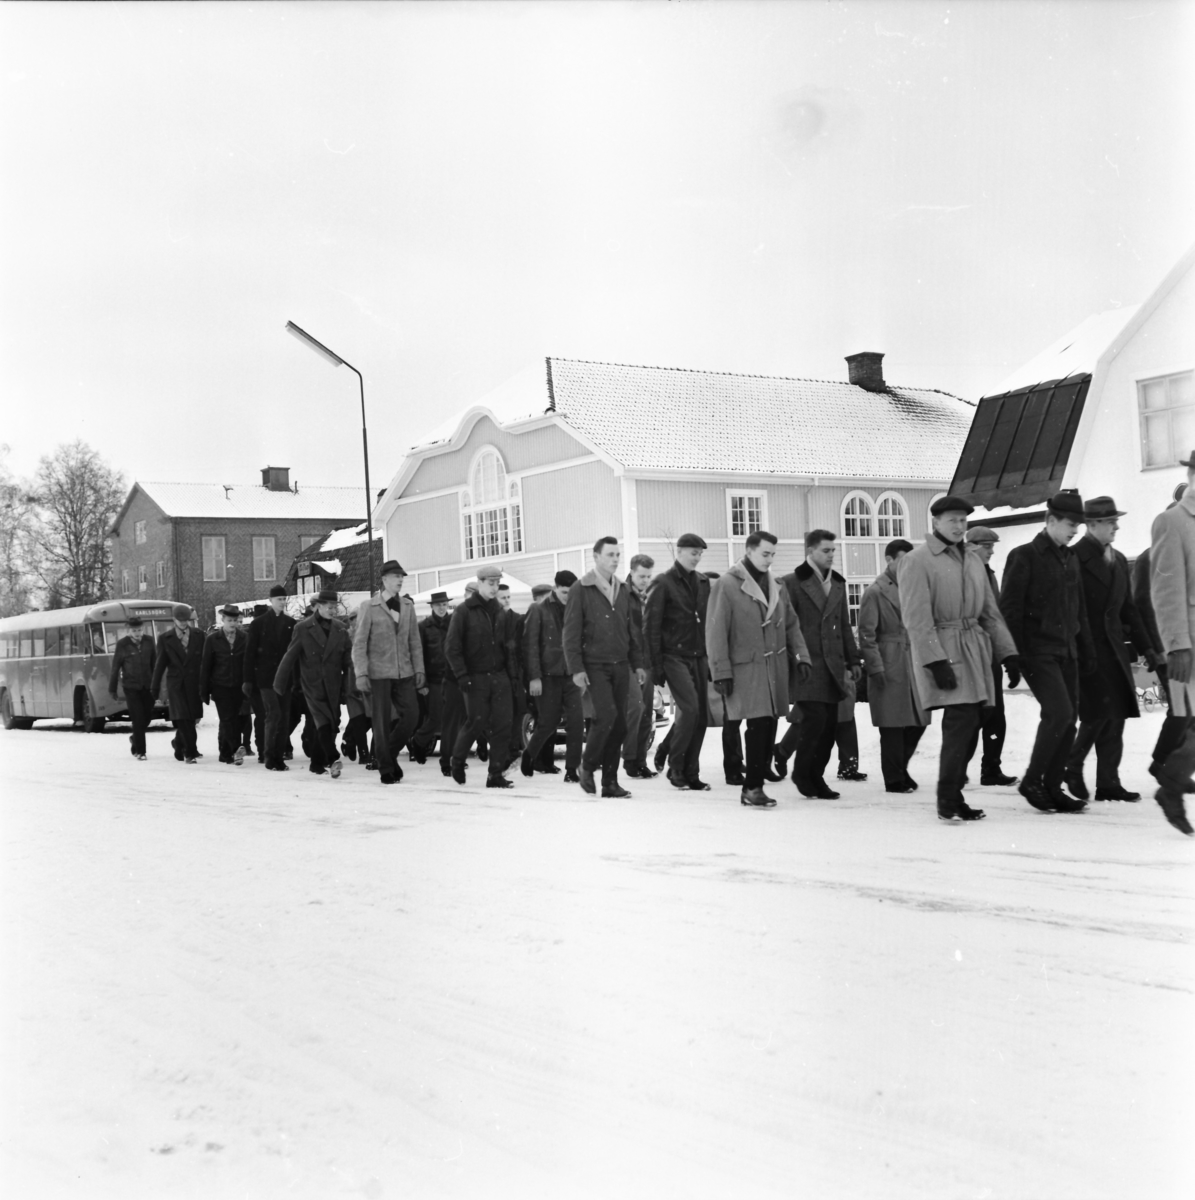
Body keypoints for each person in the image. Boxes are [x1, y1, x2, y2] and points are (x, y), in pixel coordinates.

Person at [899, 495, 1018, 821]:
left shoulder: (973, 561)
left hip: (975, 651)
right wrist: (935, 661)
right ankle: (948, 798)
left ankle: (952, 795)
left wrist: (1008, 653)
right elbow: (916, 618)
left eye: (963, 520)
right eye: (951, 519)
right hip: (946, 651)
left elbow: (989, 613)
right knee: (961, 721)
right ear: (935, 522)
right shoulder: (917, 561)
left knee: (974, 720)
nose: (958, 526)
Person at [1000, 490, 1095, 813]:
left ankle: (1053, 787)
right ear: (1051, 521)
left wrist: (1087, 649)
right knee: (1059, 714)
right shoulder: (1024, 556)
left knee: (1069, 720)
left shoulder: (1070, 558)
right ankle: (1032, 780)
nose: (1075, 531)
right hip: (1037, 650)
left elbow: (1079, 609)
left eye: (1078, 526)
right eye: (1070, 524)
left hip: (1067, 650)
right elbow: (1010, 608)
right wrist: (1012, 656)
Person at [707, 531, 811, 807]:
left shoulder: (777, 584)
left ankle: (755, 784)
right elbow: (716, 632)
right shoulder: (728, 584)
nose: (770, 559)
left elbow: (791, 625)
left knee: (769, 723)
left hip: (773, 666)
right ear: (749, 551)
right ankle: (752, 788)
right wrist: (720, 672)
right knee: (757, 724)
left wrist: (801, 657)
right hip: (745, 667)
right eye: (765, 553)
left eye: (773, 554)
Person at [1064, 496, 1157, 802]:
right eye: (1110, 522)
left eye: (1116, 521)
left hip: (1114, 648)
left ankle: (1108, 782)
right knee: (1098, 713)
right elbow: (1072, 610)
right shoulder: (1073, 558)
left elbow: (1128, 609)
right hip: (1088, 647)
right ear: (1091, 525)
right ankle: (1072, 766)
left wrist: (1147, 647)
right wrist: (1082, 648)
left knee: (1116, 715)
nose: (1116, 527)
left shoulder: (1116, 559)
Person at [777, 530, 862, 799]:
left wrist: (853, 659)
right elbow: (785, 627)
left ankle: (816, 776)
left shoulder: (837, 583)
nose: (831, 555)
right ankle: (803, 773)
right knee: (815, 720)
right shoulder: (792, 583)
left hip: (833, 666)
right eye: (826, 550)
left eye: (833, 550)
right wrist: (793, 660)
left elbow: (844, 624)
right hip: (807, 664)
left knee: (828, 726)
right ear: (810, 551)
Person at [562, 537, 647, 798]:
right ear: (596, 557)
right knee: (606, 716)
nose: (615, 559)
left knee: (620, 725)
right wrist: (576, 668)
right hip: (594, 665)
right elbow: (570, 632)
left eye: (617, 555)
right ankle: (587, 767)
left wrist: (637, 663)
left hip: (620, 664)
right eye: (610, 554)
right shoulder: (581, 588)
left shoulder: (622, 589)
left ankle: (610, 783)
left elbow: (630, 630)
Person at [857, 538, 928, 792]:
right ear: (889, 560)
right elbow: (867, 634)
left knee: (919, 720)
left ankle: (901, 768)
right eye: (903, 560)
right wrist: (875, 667)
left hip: (914, 660)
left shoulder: (915, 587)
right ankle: (894, 778)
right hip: (889, 660)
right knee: (892, 725)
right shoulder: (875, 592)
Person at [1148, 458, 1195, 835]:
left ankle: (1172, 781)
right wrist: (1176, 644)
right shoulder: (1172, 522)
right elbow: (1166, 592)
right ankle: (1172, 783)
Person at [1133, 484, 1192, 786]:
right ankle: (1162, 765)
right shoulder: (1151, 558)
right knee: (1182, 711)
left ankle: (1168, 766)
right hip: (1167, 648)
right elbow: (1143, 605)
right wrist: (1156, 649)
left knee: (1187, 710)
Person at [645, 535, 712, 790]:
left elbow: (707, 622)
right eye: (693, 553)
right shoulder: (663, 583)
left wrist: (710, 658)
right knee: (690, 709)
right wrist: (656, 665)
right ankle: (676, 767)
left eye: (700, 554)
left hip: (699, 655)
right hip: (673, 655)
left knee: (701, 716)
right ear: (680, 551)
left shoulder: (703, 582)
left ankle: (691, 772)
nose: (697, 558)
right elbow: (650, 626)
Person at [352, 559, 425, 786]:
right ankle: (386, 768)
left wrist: (419, 669)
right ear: (384, 580)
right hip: (379, 673)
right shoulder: (369, 607)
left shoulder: (408, 606)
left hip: (405, 672)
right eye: (396, 576)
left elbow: (415, 641)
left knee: (412, 716)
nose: (400, 580)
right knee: (381, 723)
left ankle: (388, 755)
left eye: (402, 576)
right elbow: (359, 643)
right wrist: (361, 673)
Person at [445, 563, 516, 788]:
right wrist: (462, 675)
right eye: (491, 583)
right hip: (475, 678)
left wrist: (512, 677)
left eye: (497, 583)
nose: (494, 588)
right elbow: (452, 648)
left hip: (500, 677)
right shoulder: (464, 611)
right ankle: (457, 761)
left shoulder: (500, 612)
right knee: (476, 723)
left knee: (503, 725)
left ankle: (495, 775)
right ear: (480, 583)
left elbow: (508, 647)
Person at [959, 527, 1019, 786]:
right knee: (973, 716)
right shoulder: (961, 572)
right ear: (971, 546)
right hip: (969, 653)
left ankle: (991, 769)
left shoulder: (989, 574)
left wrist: (1007, 655)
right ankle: (957, 768)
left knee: (996, 716)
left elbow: (995, 617)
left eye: (992, 546)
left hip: (990, 653)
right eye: (987, 546)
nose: (991, 551)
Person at [274, 588, 353, 777]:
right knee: (322, 721)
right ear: (318, 606)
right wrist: (279, 682)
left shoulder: (340, 628)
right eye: (328, 607)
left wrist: (352, 681)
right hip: (312, 684)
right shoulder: (303, 628)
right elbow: (290, 656)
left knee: (331, 722)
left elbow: (348, 660)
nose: (332, 610)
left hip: (333, 685)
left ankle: (316, 763)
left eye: (334, 607)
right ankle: (333, 757)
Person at [521, 570, 583, 782]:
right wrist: (534, 677)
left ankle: (572, 770)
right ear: (555, 588)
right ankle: (530, 754)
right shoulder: (538, 609)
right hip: (548, 676)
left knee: (576, 722)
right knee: (549, 721)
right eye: (565, 592)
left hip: (571, 675)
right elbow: (530, 646)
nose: (568, 596)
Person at [243, 585, 296, 771]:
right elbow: (250, 653)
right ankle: (268, 756)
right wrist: (248, 680)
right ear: (270, 600)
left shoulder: (291, 623)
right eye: (279, 599)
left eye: (284, 599)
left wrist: (295, 679)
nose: (282, 602)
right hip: (266, 678)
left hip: (285, 678)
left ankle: (278, 756)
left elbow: (294, 652)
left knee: (284, 718)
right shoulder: (259, 624)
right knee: (274, 715)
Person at [621, 554, 660, 781]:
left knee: (647, 713)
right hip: (628, 662)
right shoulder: (621, 595)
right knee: (635, 709)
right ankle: (629, 759)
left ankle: (640, 761)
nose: (645, 580)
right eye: (641, 576)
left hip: (648, 662)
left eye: (648, 576)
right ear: (631, 573)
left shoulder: (652, 596)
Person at [151, 603, 205, 764]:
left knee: (192, 718)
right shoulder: (165, 638)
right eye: (180, 620)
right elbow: (160, 665)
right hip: (177, 684)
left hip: (194, 682)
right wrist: (154, 688)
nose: (183, 623)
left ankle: (178, 743)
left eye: (185, 620)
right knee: (183, 718)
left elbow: (205, 660)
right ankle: (190, 752)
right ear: (173, 619)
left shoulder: (199, 635)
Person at [200, 604, 249, 765]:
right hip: (220, 686)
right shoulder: (213, 639)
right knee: (227, 718)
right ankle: (236, 749)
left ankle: (225, 753)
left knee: (234, 719)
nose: (233, 624)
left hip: (238, 686)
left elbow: (248, 662)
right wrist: (204, 690)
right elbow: (206, 666)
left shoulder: (244, 638)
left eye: (235, 620)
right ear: (223, 620)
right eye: (229, 620)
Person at [409, 591, 452, 764]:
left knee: (453, 718)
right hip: (434, 679)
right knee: (435, 717)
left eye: (444, 605)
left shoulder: (454, 624)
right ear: (432, 606)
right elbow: (419, 656)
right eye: (438, 605)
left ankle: (450, 756)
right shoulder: (424, 627)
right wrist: (422, 682)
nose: (442, 608)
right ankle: (418, 741)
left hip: (453, 678)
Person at [108, 614, 157, 760]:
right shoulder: (122, 644)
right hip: (131, 687)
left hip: (148, 686)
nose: (137, 633)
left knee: (147, 716)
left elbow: (155, 664)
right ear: (128, 631)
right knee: (138, 718)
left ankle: (135, 738)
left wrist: (157, 685)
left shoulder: (149, 641)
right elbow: (115, 667)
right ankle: (141, 752)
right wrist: (112, 688)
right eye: (134, 631)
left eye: (139, 630)